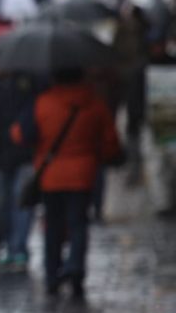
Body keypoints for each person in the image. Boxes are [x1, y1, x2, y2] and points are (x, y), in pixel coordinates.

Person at [11, 68, 120, 299]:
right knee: (79, 223)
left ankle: (52, 275)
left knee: (53, 226)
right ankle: (76, 269)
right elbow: (110, 141)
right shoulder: (95, 104)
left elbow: (21, 135)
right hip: (83, 174)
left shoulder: (43, 102)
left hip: (51, 176)